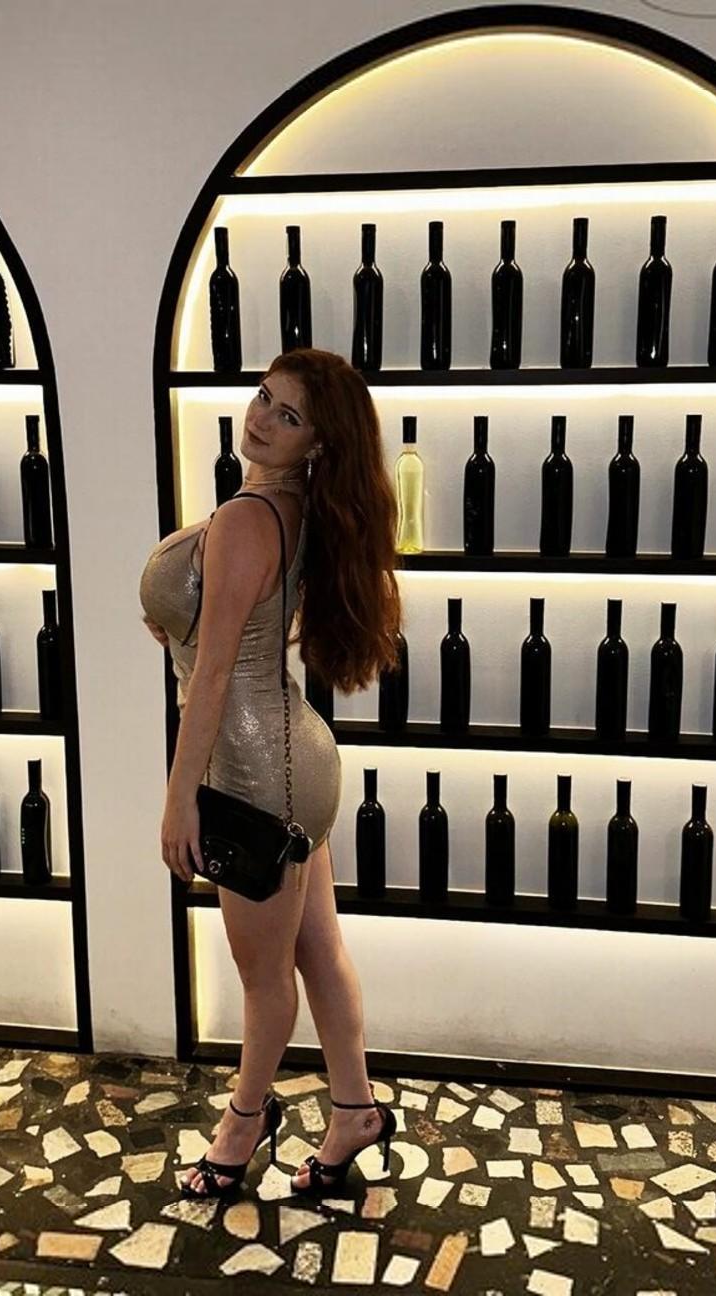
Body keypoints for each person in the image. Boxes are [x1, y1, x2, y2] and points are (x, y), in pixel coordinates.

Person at [138, 347, 403, 1199]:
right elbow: (228, 634)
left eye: (288, 416)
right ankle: (355, 1110)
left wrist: (181, 800)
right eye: (263, 397)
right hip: (294, 761)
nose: (260, 418)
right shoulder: (287, 506)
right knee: (319, 950)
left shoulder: (253, 515)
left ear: (316, 443)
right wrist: (179, 623)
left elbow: (215, 676)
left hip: (256, 773)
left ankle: (242, 1127)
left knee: (263, 981)